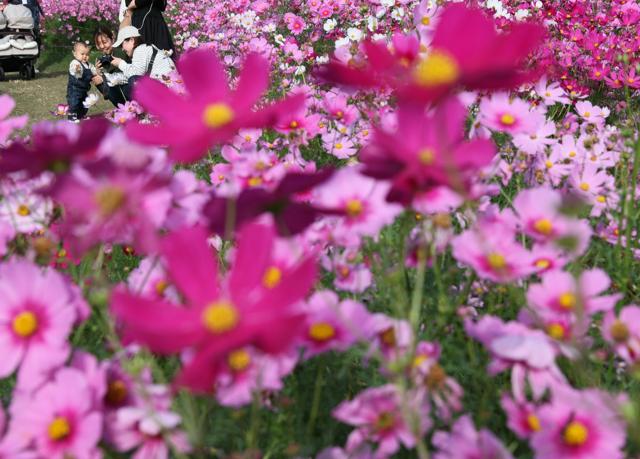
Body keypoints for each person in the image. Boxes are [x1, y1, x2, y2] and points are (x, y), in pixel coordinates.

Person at [110, 26, 176, 100]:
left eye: (122, 44)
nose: (122, 49)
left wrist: (120, 63)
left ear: (132, 40)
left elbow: (135, 74)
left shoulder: (140, 50)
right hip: (170, 87)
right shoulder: (145, 48)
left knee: (133, 82)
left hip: (166, 89)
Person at [91, 26, 129, 107]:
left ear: (112, 39)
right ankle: (121, 107)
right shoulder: (101, 59)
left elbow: (121, 77)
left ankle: (126, 107)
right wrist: (99, 73)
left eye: (104, 42)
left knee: (109, 81)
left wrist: (104, 77)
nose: (102, 46)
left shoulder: (120, 52)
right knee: (97, 80)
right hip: (117, 95)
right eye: (98, 44)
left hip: (130, 89)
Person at [66, 42, 97, 122]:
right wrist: (77, 70)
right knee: (74, 103)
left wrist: (97, 71)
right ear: (75, 54)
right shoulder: (75, 63)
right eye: (82, 54)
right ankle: (71, 116)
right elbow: (76, 73)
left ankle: (81, 115)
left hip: (83, 89)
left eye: (87, 54)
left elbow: (93, 70)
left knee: (85, 103)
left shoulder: (89, 64)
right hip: (74, 89)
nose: (85, 56)